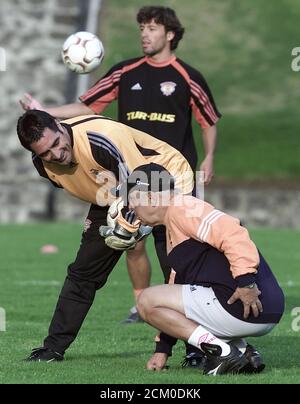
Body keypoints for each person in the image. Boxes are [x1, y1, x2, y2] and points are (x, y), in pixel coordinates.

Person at [19, 6, 221, 341]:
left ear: (170, 34)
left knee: (178, 254)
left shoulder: (188, 76)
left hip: (169, 173)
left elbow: (208, 120)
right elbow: (88, 107)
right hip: (124, 173)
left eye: (152, 28)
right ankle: (140, 304)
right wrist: (44, 112)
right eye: (142, 27)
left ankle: (197, 336)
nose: (144, 33)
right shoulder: (125, 71)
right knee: (129, 242)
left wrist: (210, 157)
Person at [16, 109, 194, 361]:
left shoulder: (102, 137)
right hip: (112, 195)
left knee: (178, 267)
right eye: (45, 152)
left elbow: (141, 183)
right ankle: (52, 349)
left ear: (59, 124)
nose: (56, 154)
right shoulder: (43, 165)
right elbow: (96, 185)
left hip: (165, 181)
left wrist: (131, 226)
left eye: (56, 143)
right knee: (83, 271)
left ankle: (197, 350)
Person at [115, 163, 285, 375]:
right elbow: (175, 292)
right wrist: (163, 349)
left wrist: (246, 282)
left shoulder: (183, 207)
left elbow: (233, 233)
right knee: (161, 299)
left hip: (247, 301)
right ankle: (243, 351)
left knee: (145, 300)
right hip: (260, 310)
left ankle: (222, 353)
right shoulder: (174, 224)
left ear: (149, 197)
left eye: (131, 200)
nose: (130, 209)